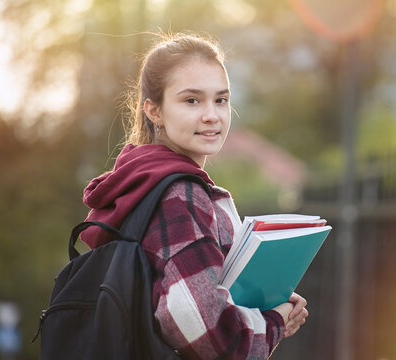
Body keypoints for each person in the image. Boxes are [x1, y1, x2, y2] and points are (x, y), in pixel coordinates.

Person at [79, 32, 309, 359]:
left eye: (221, 99)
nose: (212, 115)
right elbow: (203, 328)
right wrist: (274, 322)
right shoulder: (179, 192)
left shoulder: (138, 182)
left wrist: (271, 303)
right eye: (192, 100)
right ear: (154, 111)